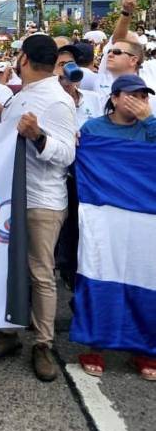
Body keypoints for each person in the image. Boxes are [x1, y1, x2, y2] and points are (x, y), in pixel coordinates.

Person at [0, 34, 77, 383]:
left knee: (40, 273)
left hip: (41, 202)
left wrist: (38, 136)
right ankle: (8, 331)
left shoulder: (58, 102)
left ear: (22, 59)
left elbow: (67, 154)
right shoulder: (26, 95)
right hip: (11, 198)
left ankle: (43, 344)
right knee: (11, 268)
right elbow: (9, 125)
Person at [76, 74, 156, 381]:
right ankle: (96, 345)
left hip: (146, 219)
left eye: (144, 96)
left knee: (146, 277)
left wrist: (149, 120)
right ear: (114, 97)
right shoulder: (94, 129)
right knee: (98, 271)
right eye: (132, 95)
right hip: (105, 216)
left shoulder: (150, 130)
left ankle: (146, 349)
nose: (139, 101)